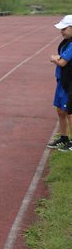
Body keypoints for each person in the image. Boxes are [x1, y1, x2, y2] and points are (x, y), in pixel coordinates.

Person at [47, 15, 72, 152]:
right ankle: (64, 138)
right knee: (60, 110)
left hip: (69, 83)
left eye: (64, 28)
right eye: (61, 29)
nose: (61, 31)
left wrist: (54, 59)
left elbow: (62, 62)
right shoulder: (66, 42)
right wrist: (58, 58)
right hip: (62, 81)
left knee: (69, 111)